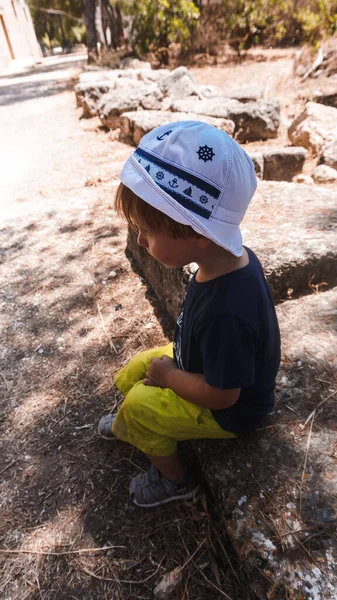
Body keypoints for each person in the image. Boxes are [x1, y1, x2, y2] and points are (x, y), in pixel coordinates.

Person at [98, 121, 281, 508]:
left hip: (229, 411)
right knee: (139, 365)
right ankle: (131, 423)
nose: (140, 240)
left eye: (146, 230)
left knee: (140, 406)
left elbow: (222, 396)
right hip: (201, 364)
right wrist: (168, 370)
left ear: (199, 232)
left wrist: (169, 376)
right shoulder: (223, 263)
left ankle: (176, 480)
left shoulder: (228, 312)